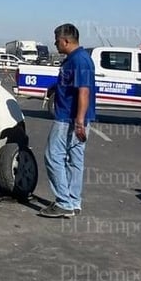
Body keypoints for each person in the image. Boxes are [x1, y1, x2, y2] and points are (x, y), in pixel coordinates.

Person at [39, 23, 96, 218]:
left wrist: (79, 121)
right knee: (74, 160)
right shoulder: (75, 59)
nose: (55, 44)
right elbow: (72, 84)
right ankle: (73, 201)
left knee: (53, 156)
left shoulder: (79, 60)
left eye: (56, 41)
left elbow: (84, 91)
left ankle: (64, 202)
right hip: (73, 118)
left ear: (65, 41)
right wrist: (55, 86)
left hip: (68, 120)